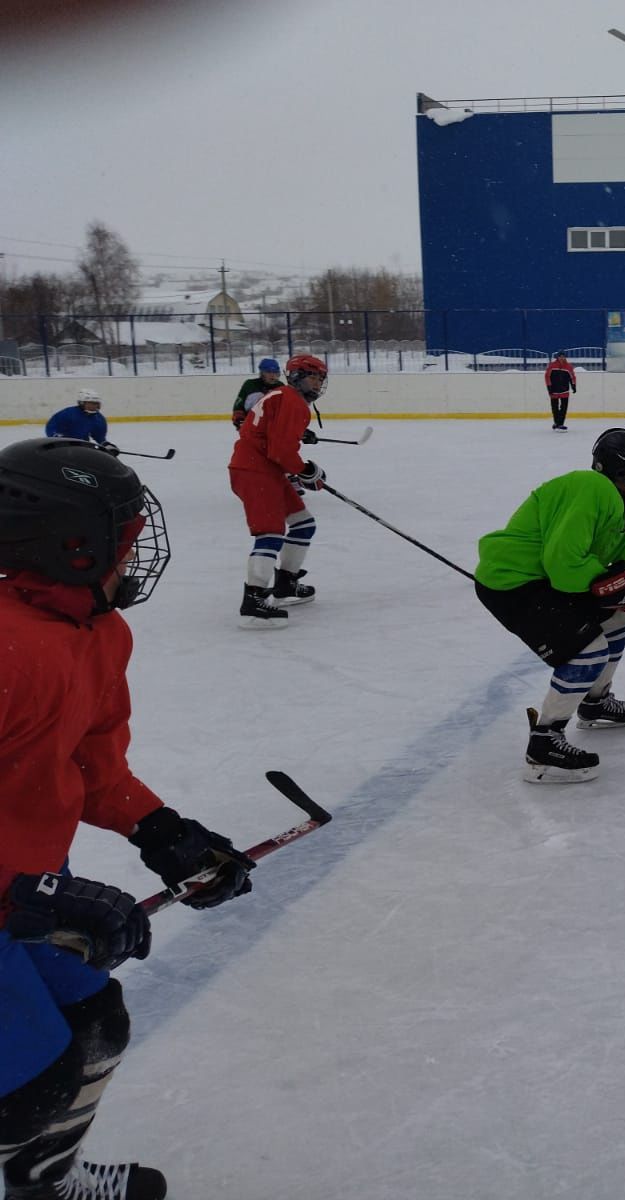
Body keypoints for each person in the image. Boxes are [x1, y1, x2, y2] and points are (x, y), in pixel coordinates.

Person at [0, 437, 255, 1200]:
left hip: (25, 890)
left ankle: (44, 1184)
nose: (139, 550)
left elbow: (90, 763)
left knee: (93, 1024)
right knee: (24, 1090)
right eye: (125, 534)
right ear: (67, 540)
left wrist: (163, 832)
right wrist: (29, 894)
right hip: (15, 892)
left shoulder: (98, 632)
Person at [474, 427, 625, 783]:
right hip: (512, 583)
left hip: (544, 582)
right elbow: (564, 563)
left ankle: (595, 702)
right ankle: (545, 740)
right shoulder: (592, 488)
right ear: (621, 473)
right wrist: (608, 582)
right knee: (587, 652)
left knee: (616, 625)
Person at [227, 354, 329, 626]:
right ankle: (254, 599)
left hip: (264, 468)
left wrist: (298, 439)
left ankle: (286, 582)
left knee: (303, 523)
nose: (317, 383)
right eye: (313, 376)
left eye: (320, 378)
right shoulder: (293, 401)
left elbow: (270, 434)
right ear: (296, 376)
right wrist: (306, 470)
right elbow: (281, 450)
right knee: (270, 533)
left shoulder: (280, 395)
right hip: (256, 471)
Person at [44, 390, 116, 454]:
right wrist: (61, 441)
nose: (94, 406)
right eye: (90, 403)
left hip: (82, 447)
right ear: (81, 403)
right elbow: (51, 427)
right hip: (62, 447)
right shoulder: (67, 414)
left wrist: (106, 445)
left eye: (96, 403)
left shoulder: (99, 419)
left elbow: (99, 437)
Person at [231, 358, 282, 429]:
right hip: (252, 427)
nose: (272, 375)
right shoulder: (250, 385)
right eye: (268, 372)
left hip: (274, 429)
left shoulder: (281, 387)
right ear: (262, 373)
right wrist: (240, 421)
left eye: (275, 372)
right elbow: (238, 407)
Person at [543, 352, 577, 431]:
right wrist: (549, 387)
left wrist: (573, 386)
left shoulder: (569, 367)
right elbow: (547, 376)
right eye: (560, 357)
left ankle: (560, 424)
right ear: (557, 357)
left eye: (563, 357)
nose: (562, 358)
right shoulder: (552, 365)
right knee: (555, 408)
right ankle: (556, 423)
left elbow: (572, 377)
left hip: (564, 390)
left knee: (564, 408)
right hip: (553, 390)